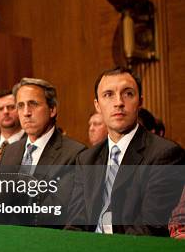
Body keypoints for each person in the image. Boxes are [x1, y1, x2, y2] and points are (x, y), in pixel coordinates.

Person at [66, 67, 185, 236]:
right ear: (97, 105)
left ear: (140, 102)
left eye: (128, 94)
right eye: (108, 95)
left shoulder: (166, 154)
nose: (119, 102)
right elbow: (75, 223)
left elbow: (150, 228)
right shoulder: (86, 159)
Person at [0, 77, 86, 226]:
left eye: (33, 104)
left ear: (52, 109)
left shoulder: (75, 154)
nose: (26, 113)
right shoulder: (10, 151)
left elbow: (55, 212)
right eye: (20, 105)